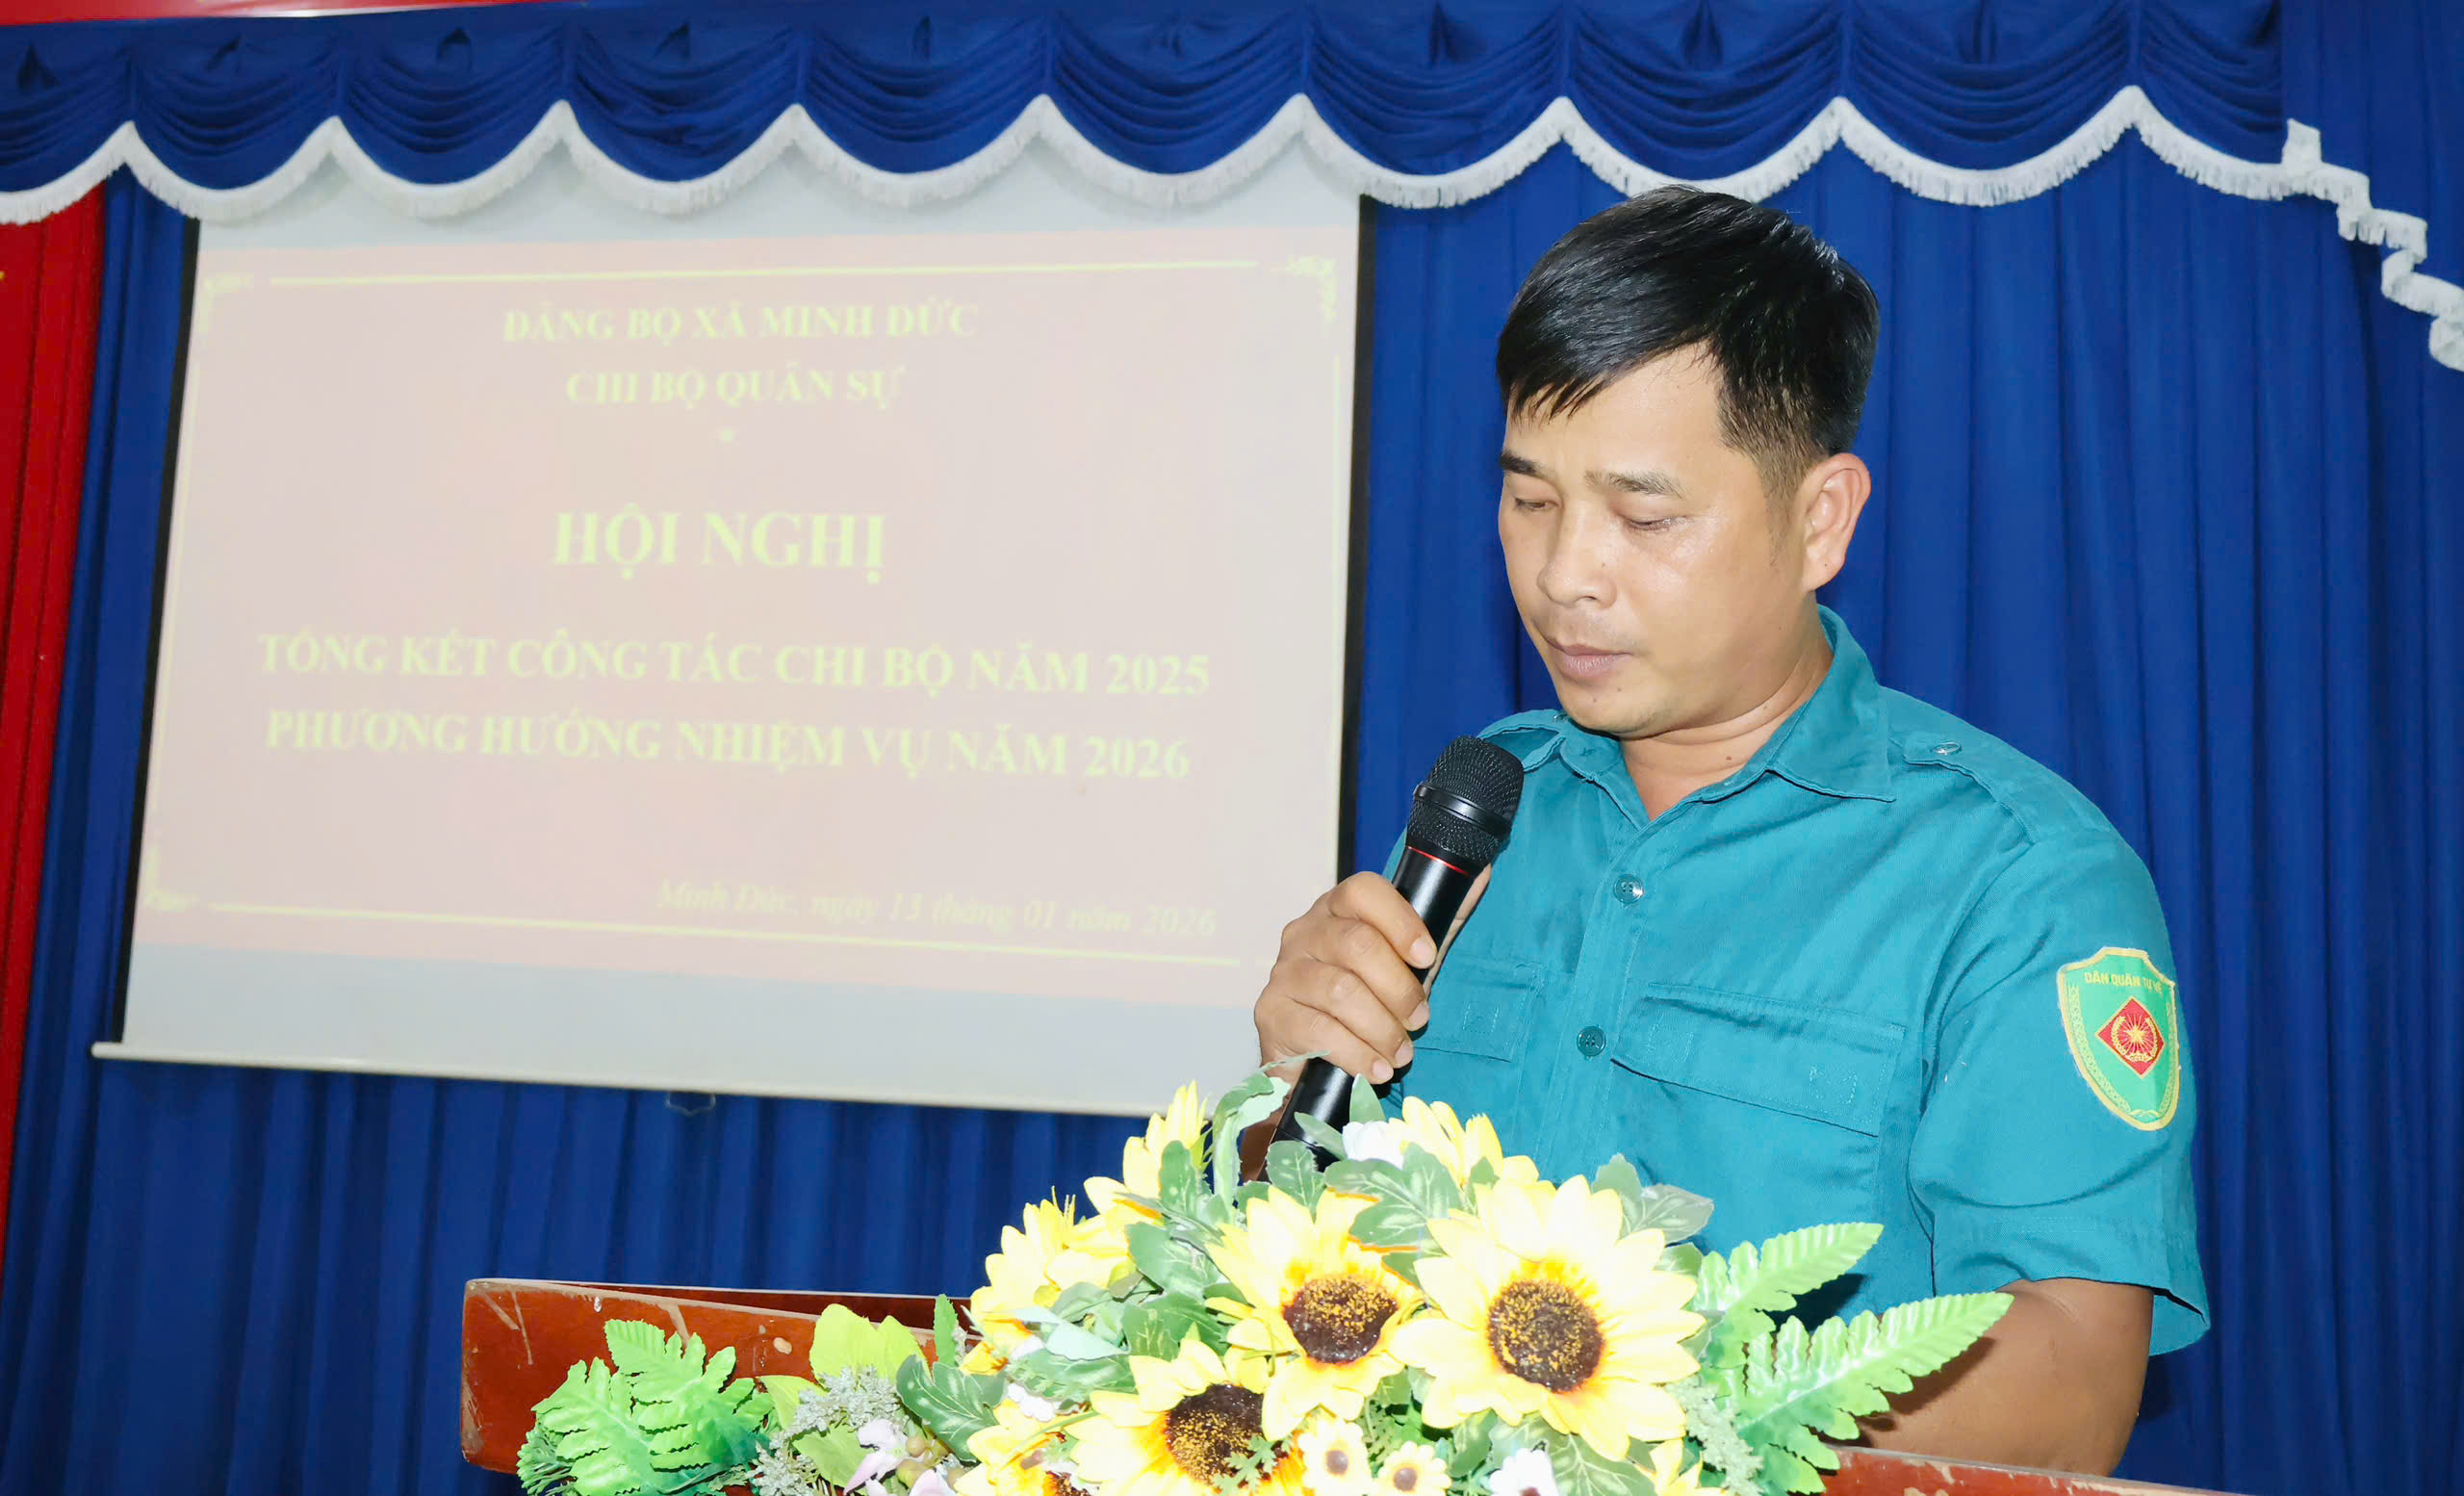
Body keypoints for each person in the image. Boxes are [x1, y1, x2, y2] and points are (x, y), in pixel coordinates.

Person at [1252, 186, 2205, 1475]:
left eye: (1645, 518)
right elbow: (1307, 1234)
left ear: (1821, 520)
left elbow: (2075, 1378)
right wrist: (1285, 1093)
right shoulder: (1487, 809)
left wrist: (1628, 1410)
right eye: (1531, 500)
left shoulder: (2020, 881)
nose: (1565, 574)